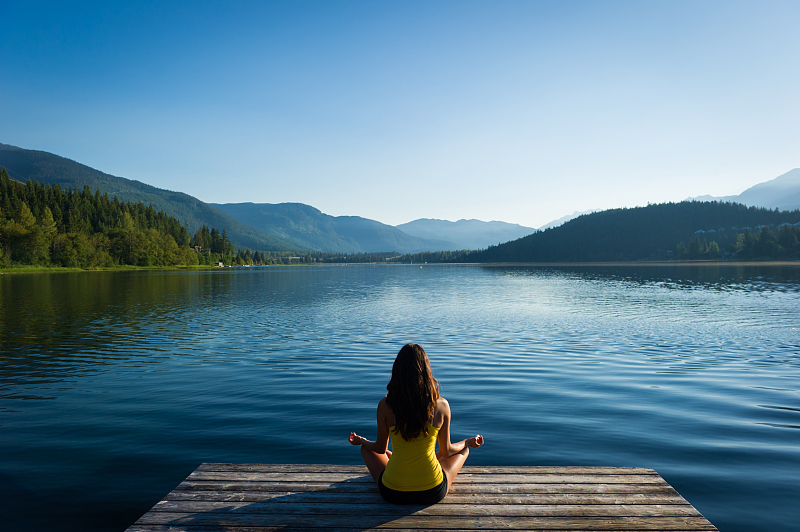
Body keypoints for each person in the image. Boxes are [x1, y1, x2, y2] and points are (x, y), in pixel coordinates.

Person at [348, 343, 484, 504]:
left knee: (366, 449)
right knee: (464, 451)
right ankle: (453, 452)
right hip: (432, 491)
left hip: (392, 492)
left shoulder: (385, 405)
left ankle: (401, 466)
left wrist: (361, 440)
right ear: (426, 372)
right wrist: (466, 442)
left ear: (397, 372)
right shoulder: (441, 405)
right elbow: (446, 451)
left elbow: (380, 449)